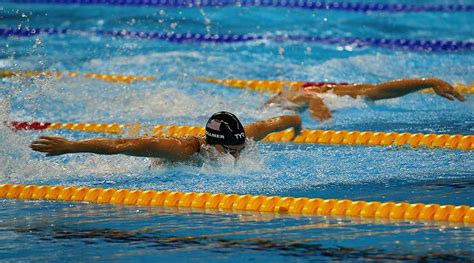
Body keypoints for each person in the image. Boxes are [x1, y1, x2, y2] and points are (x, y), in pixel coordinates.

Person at [30, 111, 302, 161]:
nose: (238, 155)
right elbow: (121, 144)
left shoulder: (242, 138)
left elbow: (280, 121)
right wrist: (70, 145)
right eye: (231, 151)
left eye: (239, 148)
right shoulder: (183, 150)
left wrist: (297, 125)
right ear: (211, 143)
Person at [265, 78, 466, 121]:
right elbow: (292, 98)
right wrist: (313, 98)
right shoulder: (322, 92)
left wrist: (429, 82)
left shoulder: (339, 92)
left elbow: (378, 90)